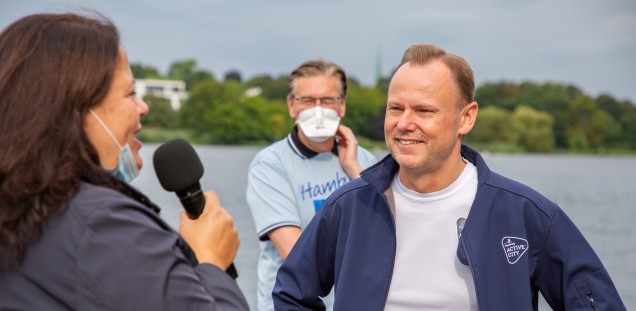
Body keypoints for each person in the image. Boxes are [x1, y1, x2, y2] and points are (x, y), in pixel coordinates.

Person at [273, 44, 626, 310]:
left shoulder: (525, 213)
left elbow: (596, 302)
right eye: (396, 108)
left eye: (424, 110)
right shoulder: (348, 207)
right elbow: (291, 293)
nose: (404, 123)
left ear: (466, 118)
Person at [0, 12, 248, 310]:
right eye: (131, 93)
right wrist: (211, 262)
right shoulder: (102, 225)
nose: (142, 107)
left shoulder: (23, 210)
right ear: (77, 108)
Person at [246, 60, 378, 310]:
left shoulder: (364, 162)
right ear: (292, 106)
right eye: (308, 100)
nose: (318, 109)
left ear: (342, 105)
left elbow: (382, 230)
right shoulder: (270, 165)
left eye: (328, 100)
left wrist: (354, 170)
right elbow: (298, 255)